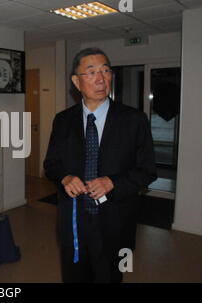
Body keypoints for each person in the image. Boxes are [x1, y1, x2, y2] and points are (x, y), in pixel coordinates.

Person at [43, 47, 157, 283]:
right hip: (74, 220)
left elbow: (147, 170)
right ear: (76, 81)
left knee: (109, 277)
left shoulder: (134, 120)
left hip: (115, 220)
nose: (101, 78)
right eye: (91, 71)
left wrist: (113, 182)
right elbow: (51, 164)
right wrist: (64, 178)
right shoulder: (63, 120)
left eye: (106, 71)